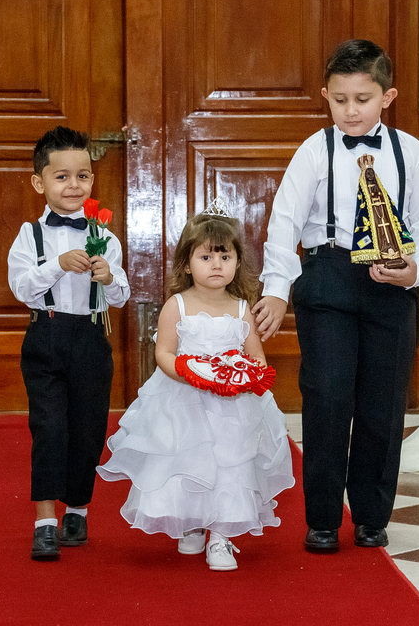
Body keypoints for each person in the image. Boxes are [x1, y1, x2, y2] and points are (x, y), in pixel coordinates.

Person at [251, 39, 419, 553]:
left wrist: (414, 271)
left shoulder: (412, 153)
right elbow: (284, 222)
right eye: (340, 100)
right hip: (329, 277)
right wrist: (276, 290)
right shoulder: (315, 149)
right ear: (325, 96)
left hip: (391, 285)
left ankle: (371, 516)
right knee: (328, 395)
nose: (351, 110)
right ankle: (321, 518)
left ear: (388, 97)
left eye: (362, 98)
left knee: (383, 404)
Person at [97, 209, 294, 571]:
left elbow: (257, 359)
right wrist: (189, 373)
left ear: (237, 262)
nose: (216, 264)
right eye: (206, 256)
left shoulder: (241, 309)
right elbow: (164, 353)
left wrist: (248, 378)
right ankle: (191, 524)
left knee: (231, 464)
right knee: (187, 463)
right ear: (188, 264)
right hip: (185, 399)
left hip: (234, 407)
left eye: (225, 256)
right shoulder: (178, 305)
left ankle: (221, 536)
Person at [7, 126, 130, 561]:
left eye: (82, 176)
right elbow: (21, 287)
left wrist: (108, 277)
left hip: (91, 338)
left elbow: (122, 295)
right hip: (46, 335)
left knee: (88, 428)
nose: (73, 185)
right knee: (48, 427)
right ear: (40, 182)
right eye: (61, 177)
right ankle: (44, 521)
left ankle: (77, 509)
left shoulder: (106, 237)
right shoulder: (30, 236)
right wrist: (56, 266)